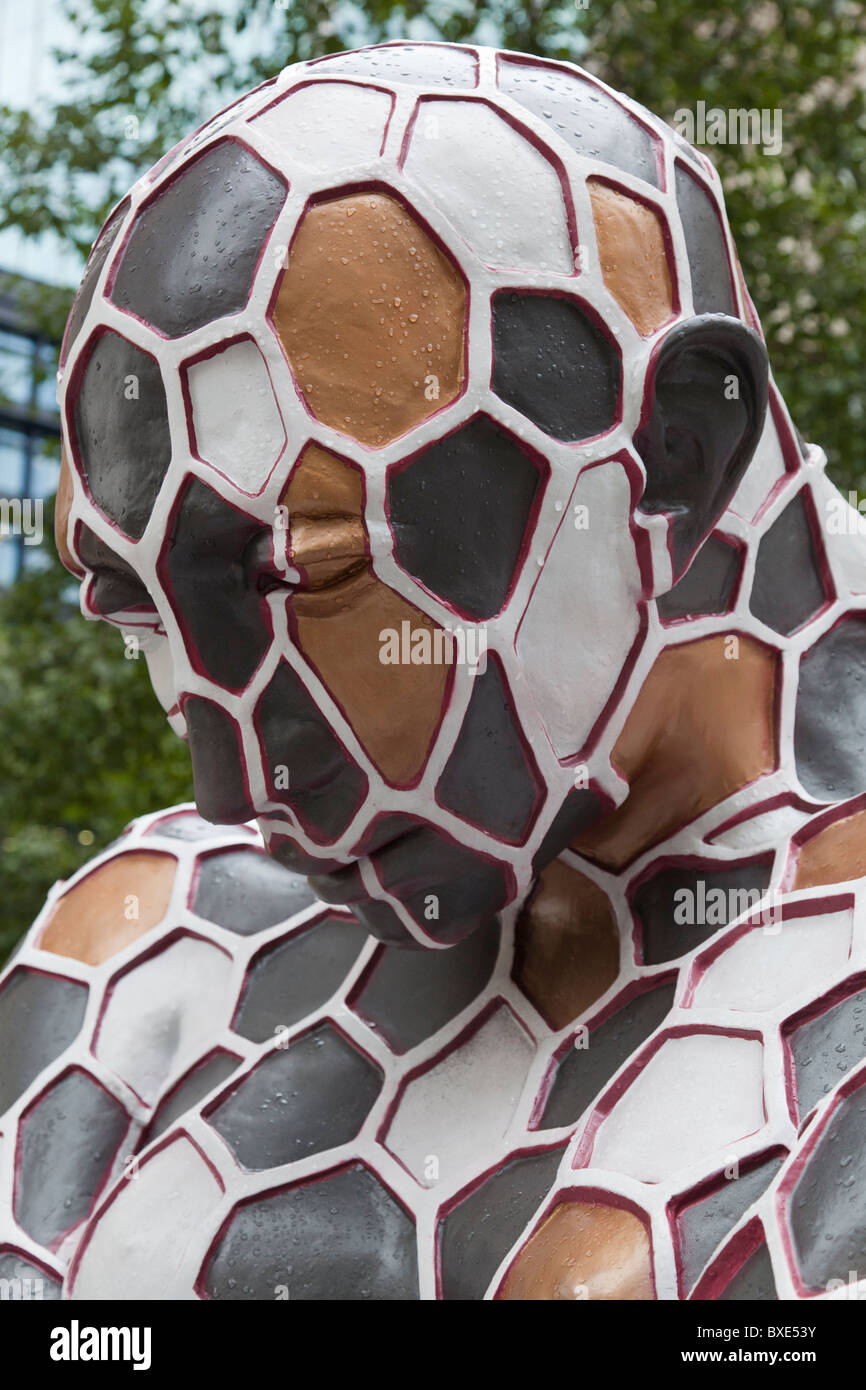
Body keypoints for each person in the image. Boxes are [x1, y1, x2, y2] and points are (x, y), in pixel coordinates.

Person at [1, 40, 864, 1301]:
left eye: (305, 579)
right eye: (136, 613)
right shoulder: (152, 950)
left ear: (668, 455)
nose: (235, 781)